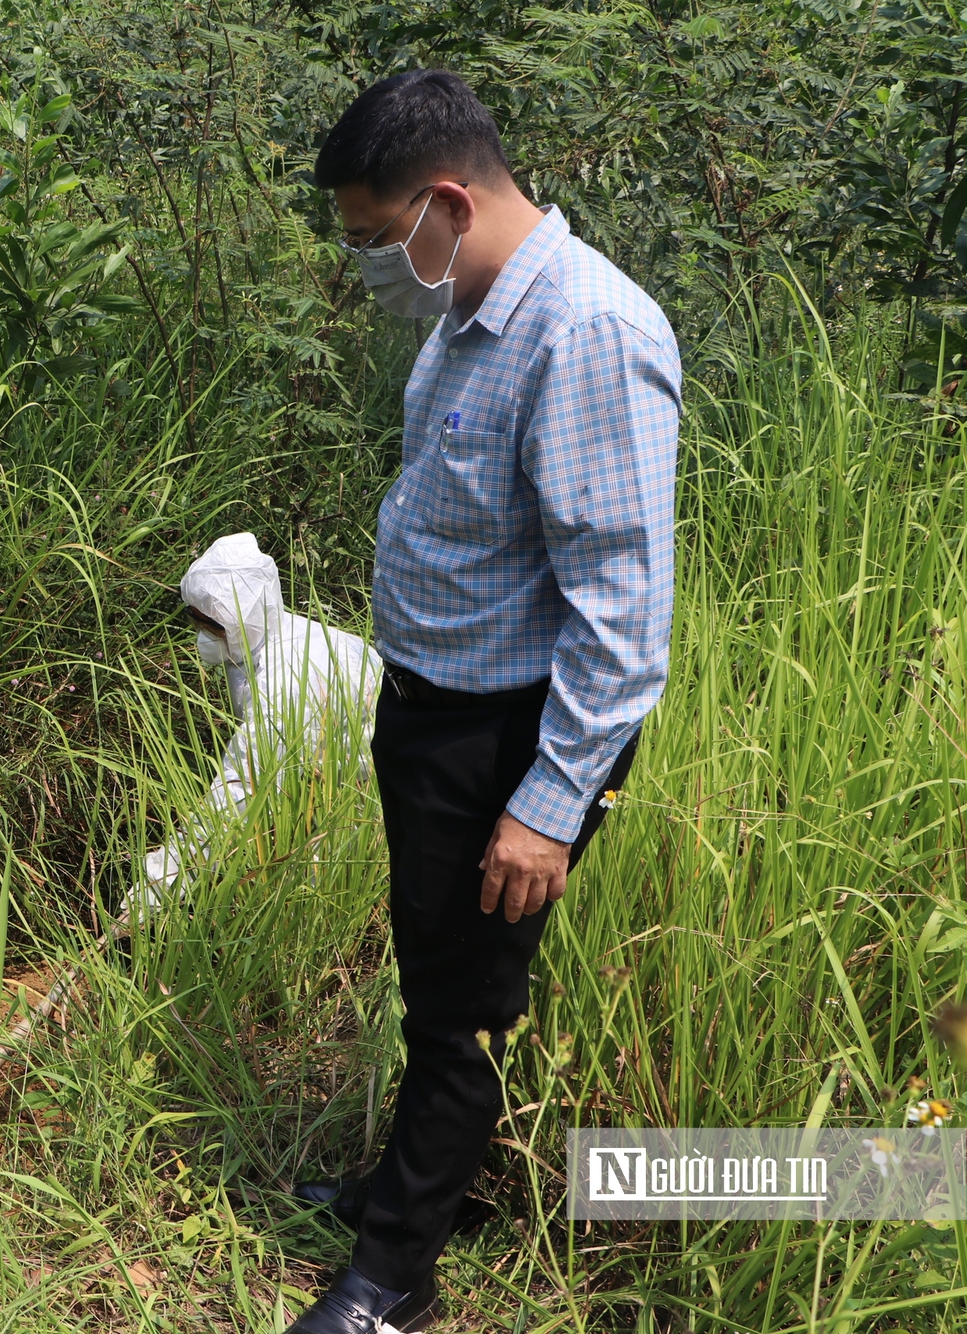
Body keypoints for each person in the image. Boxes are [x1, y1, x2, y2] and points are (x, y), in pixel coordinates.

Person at [285, 70, 679, 1334]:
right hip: (431, 707)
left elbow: (620, 620)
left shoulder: (587, 335)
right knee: (431, 971)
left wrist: (544, 808)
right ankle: (418, 1185)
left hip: (508, 737)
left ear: (444, 202)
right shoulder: (469, 306)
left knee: (460, 1006)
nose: (365, 270)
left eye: (369, 240)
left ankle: (394, 1272)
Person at [136, 533, 383, 910]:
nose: (203, 634)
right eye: (195, 620)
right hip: (360, 809)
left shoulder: (283, 679)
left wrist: (162, 882)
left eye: (212, 625)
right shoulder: (301, 635)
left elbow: (239, 789)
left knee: (309, 906)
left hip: (344, 826)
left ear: (241, 618)